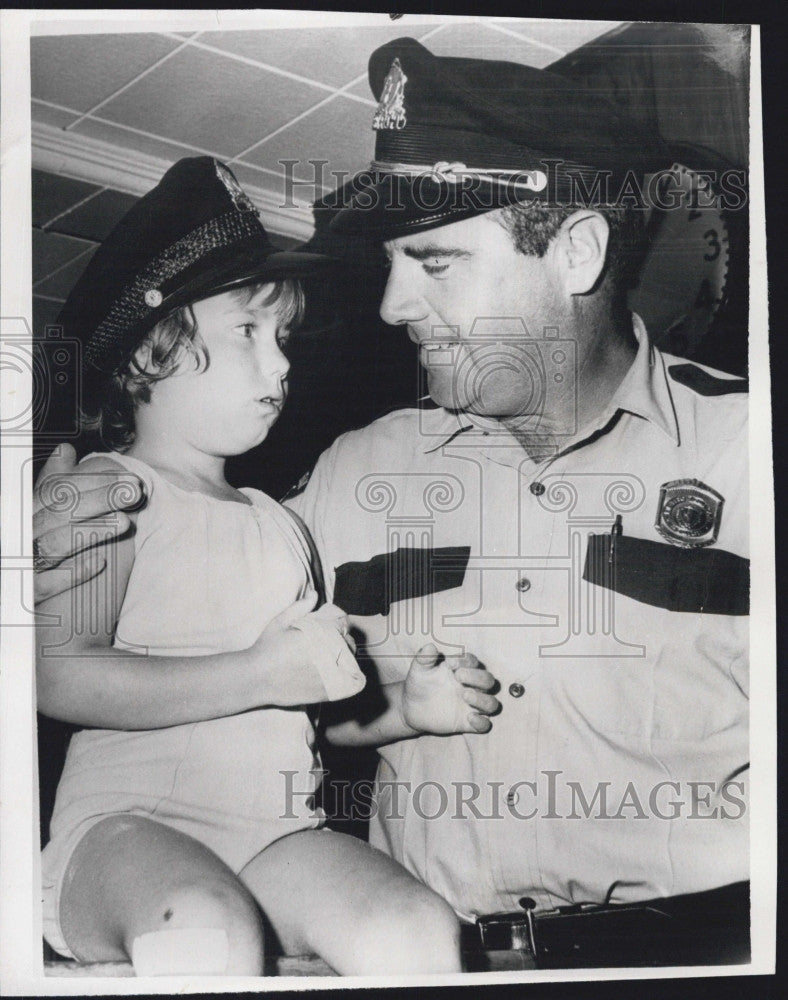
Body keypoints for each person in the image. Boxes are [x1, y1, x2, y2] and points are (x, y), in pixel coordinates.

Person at [35, 39, 750, 964]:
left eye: (435, 261)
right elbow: (190, 619)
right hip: (420, 954)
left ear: (575, 253)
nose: (391, 305)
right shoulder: (339, 479)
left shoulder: (749, 454)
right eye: (393, 263)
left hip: (700, 956)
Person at [34, 155, 501, 976]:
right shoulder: (107, 490)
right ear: (148, 354)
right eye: (246, 333)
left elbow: (314, 704)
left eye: (280, 337)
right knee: (207, 927)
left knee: (418, 926)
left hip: (275, 834)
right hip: (127, 831)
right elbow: (57, 679)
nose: (281, 364)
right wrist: (259, 671)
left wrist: (406, 710)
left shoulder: (281, 523)